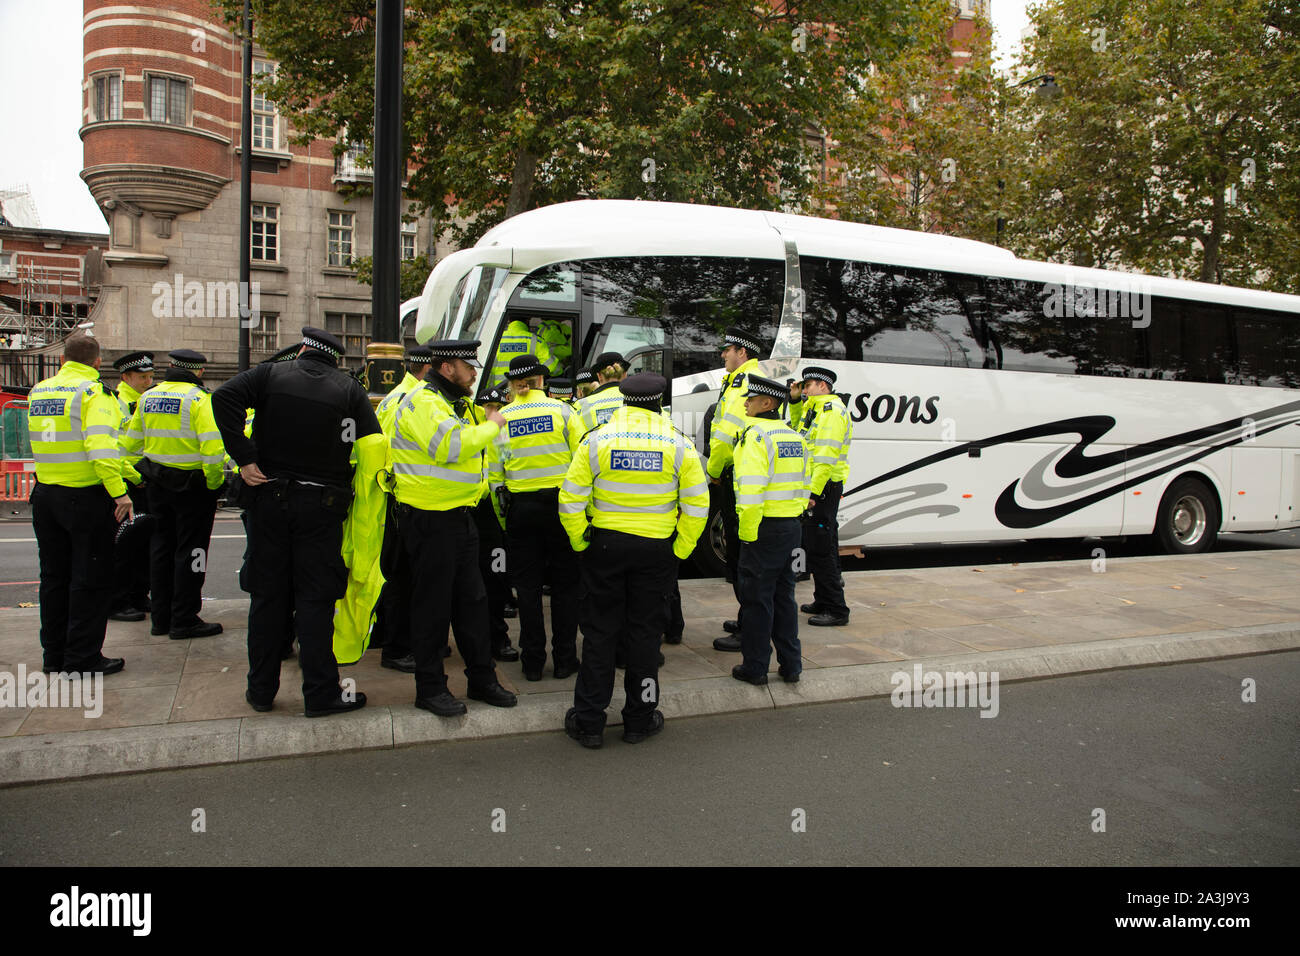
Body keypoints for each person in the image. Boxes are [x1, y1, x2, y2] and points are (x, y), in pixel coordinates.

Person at [212, 327, 381, 717]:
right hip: (321, 509)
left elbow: (223, 397)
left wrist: (245, 455)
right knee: (316, 600)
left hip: (268, 500)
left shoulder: (270, 375)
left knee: (268, 598)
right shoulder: (348, 390)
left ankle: (260, 690)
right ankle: (320, 693)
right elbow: (372, 444)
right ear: (334, 359)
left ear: (303, 350)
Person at [558, 372, 709, 748]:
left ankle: (589, 721)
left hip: (605, 548)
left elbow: (570, 501)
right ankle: (640, 719)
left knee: (599, 634)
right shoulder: (679, 444)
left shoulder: (596, 440)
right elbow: (697, 506)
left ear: (624, 401)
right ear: (659, 402)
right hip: (656, 552)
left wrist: (581, 542)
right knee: (644, 637)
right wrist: (680, 550)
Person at [388, 339, 517, 715]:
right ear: (447, 368)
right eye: (468, 367)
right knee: (432, 609)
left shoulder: (451, 403)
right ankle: (430, 688)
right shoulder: (423, 403)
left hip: (459, 518)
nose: (474, 374)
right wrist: (492, 424)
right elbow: (453, 446)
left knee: (472, 604)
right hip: (431, 521)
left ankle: (482, 679)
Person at [27, 331, 133, 675]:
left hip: (45, 494)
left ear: (62, 360)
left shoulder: (39, 389)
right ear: (98, 362)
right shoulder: (94, 393)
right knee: (89, 577)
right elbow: (102, 451)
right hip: (84, 497)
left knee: (54, 578)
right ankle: (83, 656)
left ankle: (54, 655)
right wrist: (120, 492)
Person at [487, 354, 581, 681]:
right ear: (541, 380)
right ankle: (566, 660)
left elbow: (494, 475)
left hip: (520, 509)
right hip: (561, 507)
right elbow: (582, 463)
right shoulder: (564, 411)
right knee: (565, 587)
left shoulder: (502, 418)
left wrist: (505, 520)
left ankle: (531, 663)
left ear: (514, 383)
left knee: (527, 590)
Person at [122, 349, 225, 640]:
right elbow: (213, 450)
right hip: (193, 488)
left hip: (156, 485)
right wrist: (214, 484)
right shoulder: (199, 400)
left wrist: (138, 477)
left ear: (170, 367)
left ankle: (161, 619)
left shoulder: (147, 397)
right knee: (192, 553)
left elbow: (129, 447)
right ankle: (185, 619)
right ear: (199, 372)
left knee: (161, 549)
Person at [729, 373, 810, 686]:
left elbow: (750, 495)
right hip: (791, 527)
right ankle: (792, 665)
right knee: (784, 599)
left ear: (767, 403)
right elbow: (805, 485)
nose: (746, 403)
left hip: (762, 528)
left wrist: (747, 535)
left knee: (757, 602)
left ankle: (755, 667)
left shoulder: (755, 437)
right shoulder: (794, 437)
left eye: (750, 399)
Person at [368, 345, 434, 673]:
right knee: (404, 577)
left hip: (393, 497)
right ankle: (398, 647)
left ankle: (387, 636)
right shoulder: (414, 399)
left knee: (396, 573)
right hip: (405, 499)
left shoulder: (394, 396)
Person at [706, 326, 764, 652]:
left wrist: (713, 471)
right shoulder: (740, 380)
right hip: (737, 474)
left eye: (727, 349)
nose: (723, 354)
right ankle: (747, 618)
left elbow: (726, 433)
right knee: (741, 554)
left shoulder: (743, 382)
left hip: (733, 475)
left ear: (742, 352)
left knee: (742, 555)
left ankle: (749, 629)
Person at [797, 366, 852, 626]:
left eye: (808, 386)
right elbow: (800, 435)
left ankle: (836, 609)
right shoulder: (816, 409)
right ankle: (823, 599)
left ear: (823, 386)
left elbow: (825, 458)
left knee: (821, 549)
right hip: (821, 487)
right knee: (820, 545)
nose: (804, 390)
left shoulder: (831, 413)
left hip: (823, 487)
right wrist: (796, 401)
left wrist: (812, 493)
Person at [468, 386, 519, 662]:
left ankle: (497, 638)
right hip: (471, 508)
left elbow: (506, 465)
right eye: (489, 408)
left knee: (494, 580)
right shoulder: (474, 429)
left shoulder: (500, 434)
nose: (494, 413)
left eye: (498, 408)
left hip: (492, 510)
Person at [108, 350, 156, 623]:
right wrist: (135, 477)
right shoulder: (116, 404)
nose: (148, 381)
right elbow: (116, 449)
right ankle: (118, 600)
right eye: (142, 377)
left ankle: (139, 594)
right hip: (128, 481)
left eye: (150, 376)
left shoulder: (147, 400)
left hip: (145, 478)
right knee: (124, 543)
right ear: (126, 377)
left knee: (144, 542)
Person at [488, 317, 551, 385]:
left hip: (499, 390)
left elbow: (487, 370)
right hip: (526, 390)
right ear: (527, 320)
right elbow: (549, 366)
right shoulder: (537, 341)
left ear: (509, 320)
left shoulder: (495, 339)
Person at [574, 351, 625, 433]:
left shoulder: (581, 405)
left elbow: (577, 439)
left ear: (599, 376)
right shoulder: (638, 400)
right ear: (624, 374)